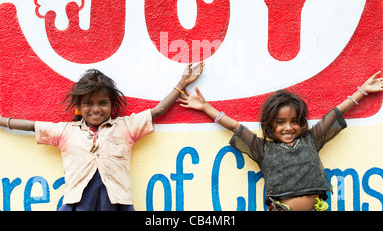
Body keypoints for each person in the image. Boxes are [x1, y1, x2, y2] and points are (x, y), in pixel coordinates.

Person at [0, 62, 204, 211]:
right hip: (77, 204)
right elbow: (31, 126)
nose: (96, 109)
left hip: (116, 204)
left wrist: (182, 83)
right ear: (79, 107)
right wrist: (2, 121)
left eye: (102, 103)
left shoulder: (125, 127)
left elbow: (157, 111)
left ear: (112, 106)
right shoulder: (66, 131)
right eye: (88, 103)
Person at [178, 71, 383, 211]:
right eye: (281, 122)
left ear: (301, 123)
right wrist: (205, 107)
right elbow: (235, 127)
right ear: (270, 125)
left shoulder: (311, 139)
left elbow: (334, 114)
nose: (288, 127)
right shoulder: (262, 149)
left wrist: (362, 91)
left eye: (294, 121)